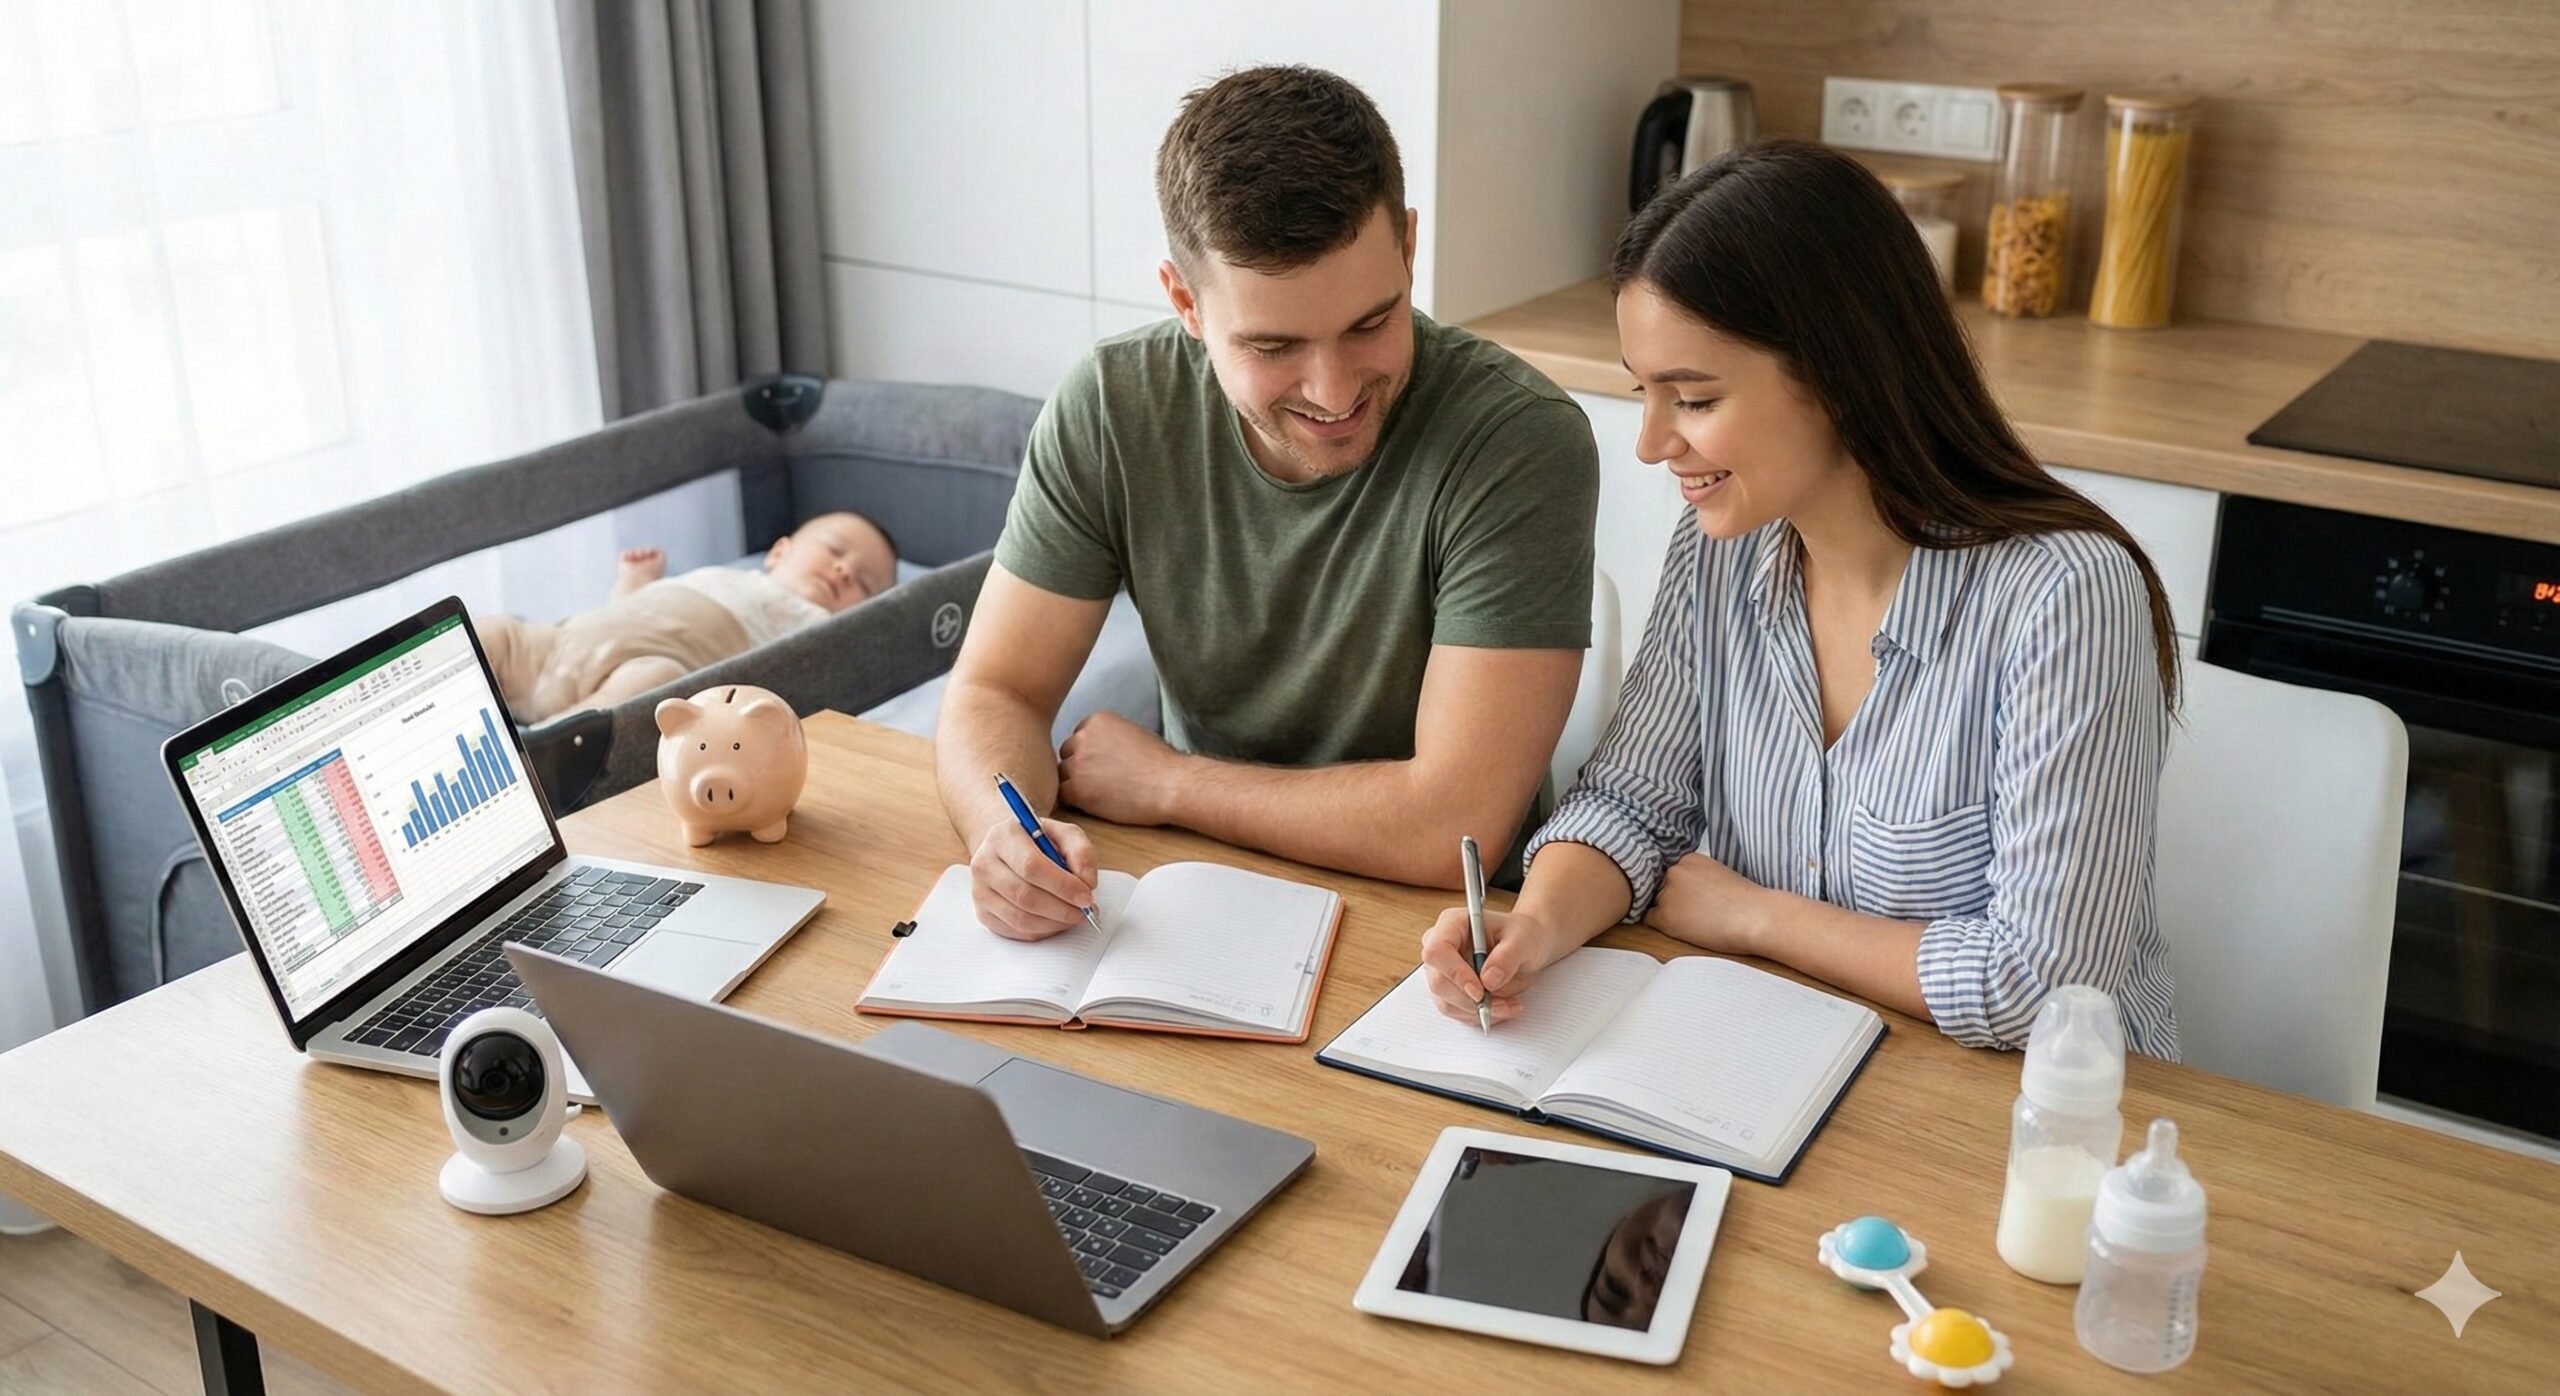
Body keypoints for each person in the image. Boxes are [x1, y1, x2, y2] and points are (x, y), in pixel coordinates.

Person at [1419, 140, 2179, 1057]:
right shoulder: (1723, 555)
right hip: (1778, 1058)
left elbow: (2044, 987)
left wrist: (1756, 918)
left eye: (1692, 399)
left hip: (2035, 1123)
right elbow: (1630, 804)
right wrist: (1536, 926)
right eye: (1643, 394)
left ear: (1833, 374)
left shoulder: (2064, 599)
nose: (1653, 443)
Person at [938, 65, 1599, 940]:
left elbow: (1452, 828)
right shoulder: (1111, 406)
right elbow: (995, 691)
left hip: (1443, 940)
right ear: (1185, 301)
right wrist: (1002, 837)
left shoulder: (1518, 441)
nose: (1334, 392)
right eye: (1275, 345)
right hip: (1189, 901)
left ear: (1406, 247)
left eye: (1370, 322)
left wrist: (1172, 783)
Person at [475, 511, 896, 722]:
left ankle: (552, 745)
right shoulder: (726, 574)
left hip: (644, 665)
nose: (844, 571)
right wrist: (634, 580)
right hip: (557, 641)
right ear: (778, 551)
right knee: (495, 632)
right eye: (834, 550)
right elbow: (622, 611)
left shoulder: (813, 624)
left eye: (865, 582)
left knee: (654, 685)